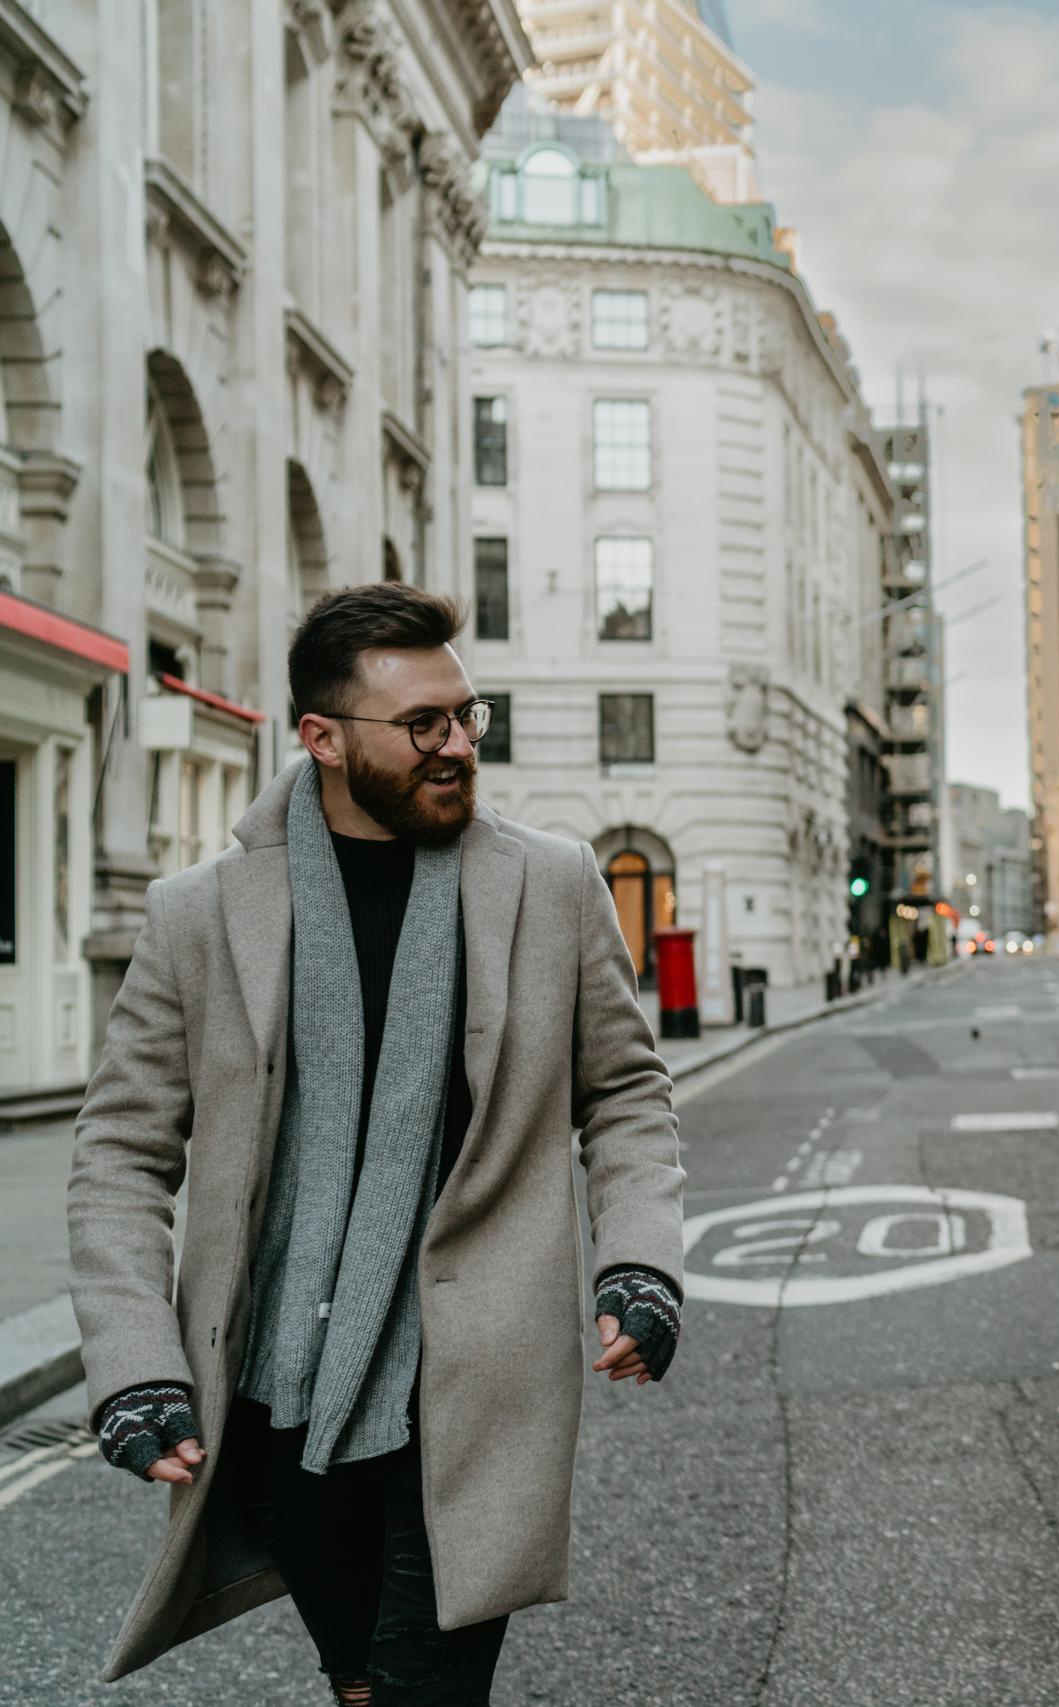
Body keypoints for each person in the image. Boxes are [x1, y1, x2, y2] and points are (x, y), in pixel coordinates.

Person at [68, 585, 688, 1703]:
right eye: (422, 725)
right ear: (323, 739)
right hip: (278, 1392)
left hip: (472, 1385)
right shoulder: (199, 914)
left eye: (466, 716)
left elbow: (627, 1094)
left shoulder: (549, 885)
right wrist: (135, 1365)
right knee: (360, 1681)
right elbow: (119, 1154)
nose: (458, 745)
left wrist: (639, 1260)